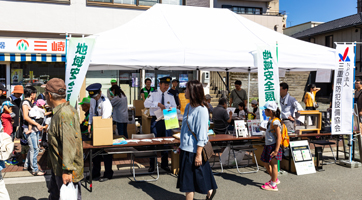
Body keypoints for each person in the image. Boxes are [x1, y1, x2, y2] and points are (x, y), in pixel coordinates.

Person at [177, 80, 217, 200]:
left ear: (193, 91)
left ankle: (209, 190)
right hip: (185, 148)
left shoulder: (202, 110)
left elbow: (202, 134)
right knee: (192, 178)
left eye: (187, 89)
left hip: (195, 150)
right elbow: (184, 128)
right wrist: (181, 144)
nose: (185, 91)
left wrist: (199, 154)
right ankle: (210, 190)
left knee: (190, 181)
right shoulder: (188, 106)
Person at [45, 78, 83, 199]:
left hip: (65, 170)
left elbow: (68, 142)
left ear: (49, 95)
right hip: (59, 167)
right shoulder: (63, 111)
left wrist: (67, 170)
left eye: (45, 93)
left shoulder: (64, 113)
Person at [144, 76, 176, 172]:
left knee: (166, 142)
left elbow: (174, 107)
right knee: (154, 142)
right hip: (156, 120)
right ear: (160, 84)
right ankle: (152, 165)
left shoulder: (170, 95)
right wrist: (157, 104)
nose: (166, 87)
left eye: (168, 85)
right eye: (165, 85)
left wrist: (170, 108)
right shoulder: (153, 94)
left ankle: (164, 164)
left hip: (168, 119)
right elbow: (146, 104)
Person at [87, 83, 113, 182]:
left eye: (96, 96)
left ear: (100, 93)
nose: (95, 98)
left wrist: (98, 129)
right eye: (93, 96)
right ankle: (96, 172)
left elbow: (105, 118)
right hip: (96, 128)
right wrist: (90, 124)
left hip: (104, 128)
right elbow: (92, 112)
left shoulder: (105, 102)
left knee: (106, 152)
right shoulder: (93, 99)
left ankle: (108, 173)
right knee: (95, 152)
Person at [22, 86, 45, 176]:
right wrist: (37, 124)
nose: (35, 95)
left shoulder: (29, 103)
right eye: (35, 93)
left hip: (33, 128)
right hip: (29, 129)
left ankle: (26, 165)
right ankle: (35, 170)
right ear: (32, 94)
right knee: (34, 149)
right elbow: (26, 117)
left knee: (33, 149)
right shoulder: (25, 103)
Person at [260, 101, 283, 192]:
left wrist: (276, 150)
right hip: (269, 145)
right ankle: (274, 179)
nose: (264, 111)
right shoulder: (271, 120)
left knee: (273, 165)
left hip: (273, 146)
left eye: (265, 110)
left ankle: (273, 185)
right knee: (265, 162)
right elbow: (271, 132)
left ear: (270, 111)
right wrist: (264, 129)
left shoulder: (276, 121)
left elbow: (279, 137)